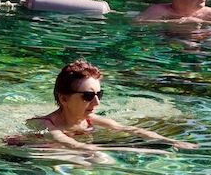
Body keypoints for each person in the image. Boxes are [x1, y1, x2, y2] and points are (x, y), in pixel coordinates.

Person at [15, 60, 198, 163]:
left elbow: (132, 130)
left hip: (70, 148)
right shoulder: (44, 124)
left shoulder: (90, 120)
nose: (96, 102)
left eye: (99, 94)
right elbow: (72, 144)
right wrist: (132, 150)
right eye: (87, 96)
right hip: (24, 153)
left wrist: (170, 141)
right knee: (96, 158)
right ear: (64, 99)